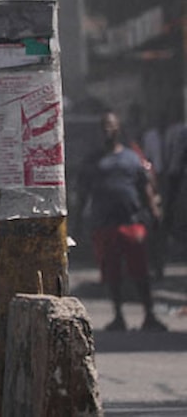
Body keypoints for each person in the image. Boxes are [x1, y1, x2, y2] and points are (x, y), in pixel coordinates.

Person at [83, 110, 166, 332]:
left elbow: (145, 187)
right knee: (112, 273)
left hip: (131, 222)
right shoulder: (93, 161)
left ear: (118, 128)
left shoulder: (131, 157)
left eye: (111, 125)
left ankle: (149, 315)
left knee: (140, 271)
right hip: (104, 225)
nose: (108, 130)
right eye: (104, 126)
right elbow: (83, 191)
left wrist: (154, 211)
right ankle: (118, 316)